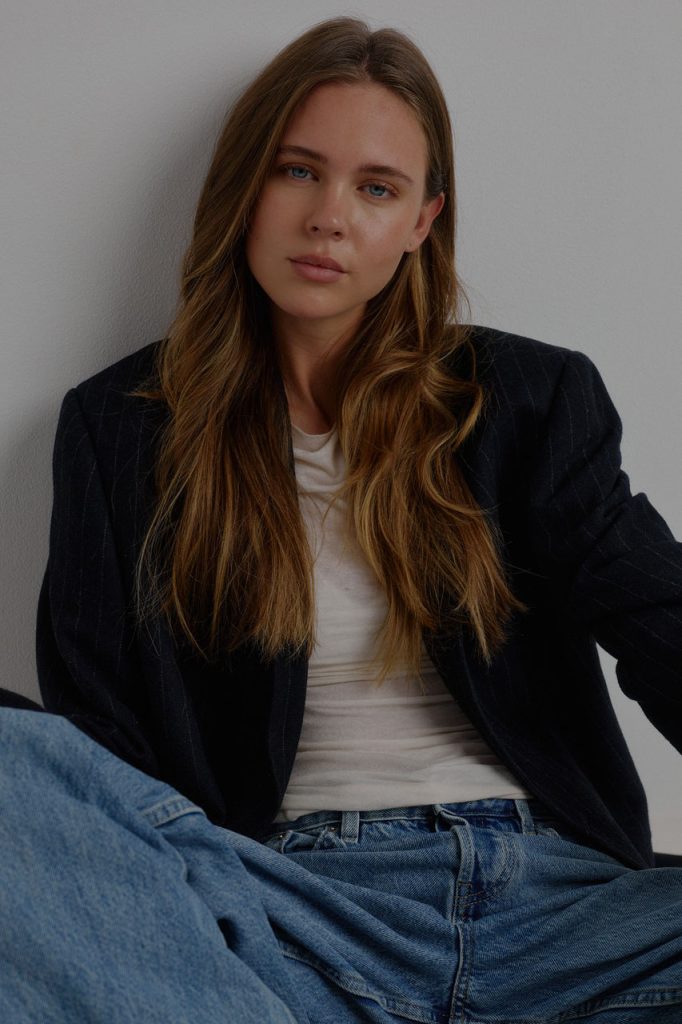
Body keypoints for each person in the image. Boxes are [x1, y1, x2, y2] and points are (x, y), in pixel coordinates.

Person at [1, 15, 681, 1024]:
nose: (329, 218)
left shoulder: (526, 401)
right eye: (297, 172)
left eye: (376, 188)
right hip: (288, 916)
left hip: (563, 915)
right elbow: (103, 750)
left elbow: (661, 619)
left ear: (421, 221)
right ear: (244, 186)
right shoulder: (121, 429)